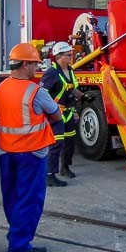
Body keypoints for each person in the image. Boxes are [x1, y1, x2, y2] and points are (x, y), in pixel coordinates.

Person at [0, 43, 62, 252]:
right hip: (32, 153)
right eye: (34, 64)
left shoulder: (1, 87)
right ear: (25, 64)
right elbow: (56, 115)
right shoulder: (36, 91)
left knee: (12, 197)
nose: (37, 68)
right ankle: (20, 245)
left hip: (6, 152)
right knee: (30, 199)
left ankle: (15, 235)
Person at [39, 41, 80, 183]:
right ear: (58, 56)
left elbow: (71, 90)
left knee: (70, 142)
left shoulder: (70, 70)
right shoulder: (51, 73)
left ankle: (65, 167)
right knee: (56, 144)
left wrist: (80, 102)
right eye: (68, 55)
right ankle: (50, 175)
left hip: (69, 112)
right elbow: (42, 94)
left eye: (71, 54)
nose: (71, 57)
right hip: (56, 114)